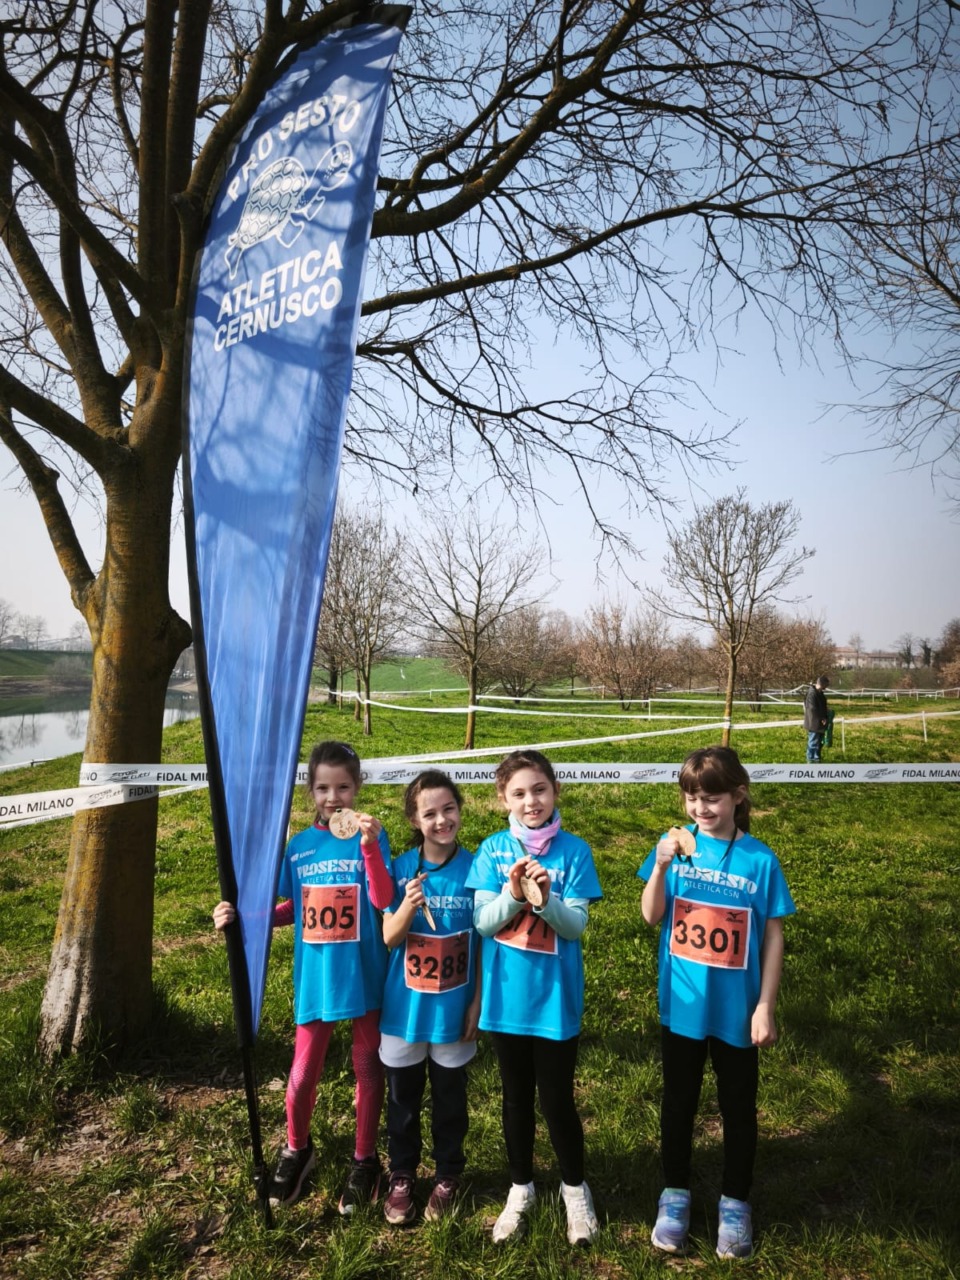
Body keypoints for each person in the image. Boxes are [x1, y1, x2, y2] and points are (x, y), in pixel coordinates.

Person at [213, 740, 394, 1213]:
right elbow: (294, 906)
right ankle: (297, 1148)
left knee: (368, 1068)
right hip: (316, 980)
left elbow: (382, 899)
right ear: (310, 790)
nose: (334, 798)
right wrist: (246, 916)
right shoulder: (298, 846)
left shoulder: (372, 836)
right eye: (323, 788)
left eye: (343, 787)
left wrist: (370, 849)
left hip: (364, 975)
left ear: (358, 787)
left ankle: (365, 1158)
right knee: (301, 1074)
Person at [637, 746, 795, 1260]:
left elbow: (773, 937)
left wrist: (765, 1005)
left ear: (738, 796)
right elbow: (650, 916)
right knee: (678, 1102)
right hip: (682, 1005)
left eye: (711, 798)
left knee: (737, 1107)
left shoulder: (760, 860)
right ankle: (674, 1195)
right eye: (691, 798)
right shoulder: (673, 848)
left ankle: (735, 1202)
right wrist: (659, 868)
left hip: (736, 1010)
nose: (700, 808)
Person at [466, 749, 603, 1246]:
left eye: (539, 790)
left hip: (554, 1004)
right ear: (503, 798)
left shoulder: (575, 852)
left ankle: (575, 1190)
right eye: (519, 793)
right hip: (506, 1003)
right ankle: (520, 1187)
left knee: (558, 1099)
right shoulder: (491, 850)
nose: (531, 802)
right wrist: (514, 894)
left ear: (555, 790)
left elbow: (576, 927)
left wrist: (546, 901)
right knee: (516, 1098)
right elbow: (483, 923)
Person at [378, 770, 481, 1225]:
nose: (442, 820)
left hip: (454, 1010)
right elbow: (389, 937)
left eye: (449, 809)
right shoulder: (399, 868)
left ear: (459, 809)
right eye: (430, 813)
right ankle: (401, 1173)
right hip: (404, 1010)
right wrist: (407, 904)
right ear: (414, 820)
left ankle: (447, 1174)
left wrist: (477, 1002)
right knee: (401, 1101)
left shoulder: (477, 868)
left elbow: (485, 942)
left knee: (449, 1100)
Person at [803, 675, 831, 762]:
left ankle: (816, 758)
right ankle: (810, 759)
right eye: (826, 685)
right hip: (814, 722)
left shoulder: (819, 693)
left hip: (820, 722)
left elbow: (821, 706)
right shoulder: (812, 694)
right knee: (813, 742)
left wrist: (826, 711)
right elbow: (813, 709)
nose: (826, 687)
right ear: (822, 684)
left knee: (818, 743)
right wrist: (822, 718)